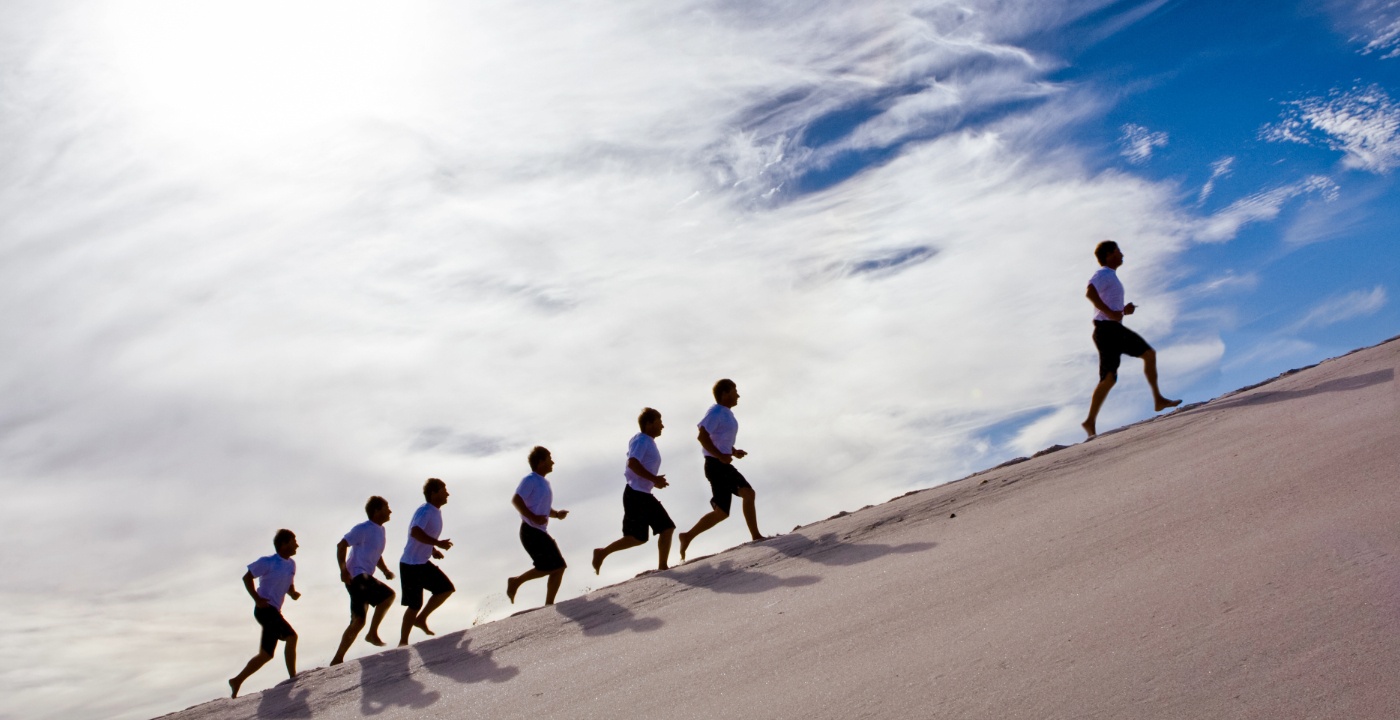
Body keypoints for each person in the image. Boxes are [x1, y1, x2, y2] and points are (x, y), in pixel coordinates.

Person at [1082, 240, 1181, 438]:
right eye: (1118, 251)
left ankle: (1090, 421)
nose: (1122, 254)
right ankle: (1158, 399)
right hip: (1107, 330)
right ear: (1109, 255)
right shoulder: (1103, 273)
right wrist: (1111, 313)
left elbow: (1111, 312)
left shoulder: (1111, 277)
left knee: (1109, 378)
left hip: (1108, 329)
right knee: (1148, 354)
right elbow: (1089, 292)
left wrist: (1122, 311)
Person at [678, 379, 764, 561]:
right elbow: (702, 435)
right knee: (748, 493)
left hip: (718, 464)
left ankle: (687, 536)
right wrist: (720, 455)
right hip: (715, 465)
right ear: (725, 393)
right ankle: (756, 536)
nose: (738, 395)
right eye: (735, 391)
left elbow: (719, 438)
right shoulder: (716, 411)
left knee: (722, 513)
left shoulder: (727, 414)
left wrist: (732, 451)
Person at [592, 408, 676, 574]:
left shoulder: (646, 441)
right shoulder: (642, 440)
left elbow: (637, 466)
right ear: (649, 423)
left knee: (639, 537)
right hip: (636, 494)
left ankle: (602, 553)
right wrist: (654, 479)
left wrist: (654, 481)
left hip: (639, 493)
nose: (663, 426)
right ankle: (663, 568)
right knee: (666, 527)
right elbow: (632, 463)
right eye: (659, 422)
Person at [229, 529, 301, 698]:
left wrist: (292, 593)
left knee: (266, 654)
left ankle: (237, 680)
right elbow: (247, 577)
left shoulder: (291, 564)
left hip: (274, 611)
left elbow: (289, 584)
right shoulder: (268, 562)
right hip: (265, 609)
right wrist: (257, 599)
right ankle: (293, 678)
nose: (297, 544)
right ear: (284, 544)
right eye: (293, 541)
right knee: (292, 637)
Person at [331, 496, 397, 665]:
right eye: (386, 507)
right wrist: (343, 570)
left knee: (358, 621)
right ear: (376, 511)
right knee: (388, 595)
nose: (390, 511)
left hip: (360, 577)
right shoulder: (363, 528)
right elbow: (341, 545)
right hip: (357, 575)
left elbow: (376, 553)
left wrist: (385, 570)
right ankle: (372, 633)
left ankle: (337, 659)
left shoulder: (381, 531)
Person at [507, 446, 570, 606]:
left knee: (558, 567)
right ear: (541, 462)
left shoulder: (543, 482)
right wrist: (533, 517)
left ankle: (548, 603)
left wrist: (556, 514)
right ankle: (516, 582)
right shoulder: (530, 479)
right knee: (554, 566)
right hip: (530, 531)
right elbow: (516, 500)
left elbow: (541, 507)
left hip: (537, 531)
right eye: (549, 458)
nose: (553, 462)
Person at [398, 479, 454, 646]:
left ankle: (421, 619)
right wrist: (437, 544)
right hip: (410, 564)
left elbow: (421, 535)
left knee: (445, 589)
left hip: (421, 562)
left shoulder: (435, 512)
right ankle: (403, 643)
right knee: (414, 605)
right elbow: (415, 532)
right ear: (434, 493)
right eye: (444, 491)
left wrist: (432, 550)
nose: (448, 494)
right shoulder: (426, 511)